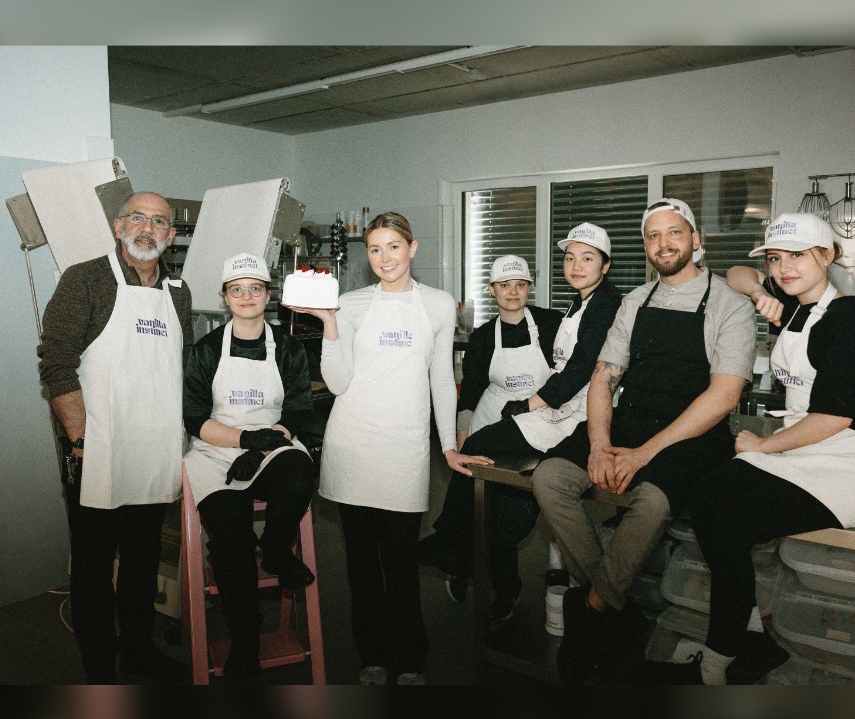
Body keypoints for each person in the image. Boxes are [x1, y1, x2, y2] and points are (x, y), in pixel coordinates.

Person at [658, 212, 855, 685]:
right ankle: (751, 632)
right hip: (808, 454)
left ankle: (718, 661)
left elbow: (835, 417)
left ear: (827, 256)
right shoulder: (795, 302)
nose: (784, 268)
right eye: (775, 258)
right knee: (705, 495)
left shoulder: (846, 320)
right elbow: (736, 273)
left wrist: (765, 445)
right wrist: (758, 292)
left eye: (797, 255)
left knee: (731, 522)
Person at [531, 199, 756, 683]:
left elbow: (724, 395)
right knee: (549, 478)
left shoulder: (730, 305)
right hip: (630, 423)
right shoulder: (634, 302)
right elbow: (603, 378)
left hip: (693, 433)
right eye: (653, 235)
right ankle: (613, 602)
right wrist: (599, 444)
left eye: (674, 232)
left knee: (651, 501)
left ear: (696, 240)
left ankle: (591, 608)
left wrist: (644, 453)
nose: (663, 243)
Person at [292, 211, 490, 685]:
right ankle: (373, 657)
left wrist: (448, 446)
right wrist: (329, 324)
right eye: (376, 249)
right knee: (362, 564)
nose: (385, 258)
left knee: (401, 561)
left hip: (405, 448)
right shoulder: (350, 303)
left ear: (412, 248)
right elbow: (337, 383)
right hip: (353, 444)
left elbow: (441, 379)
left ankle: (410, 659)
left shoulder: (438, 304)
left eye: (394, 247)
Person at [418, 227, 624, 619]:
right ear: (492, 290)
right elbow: (470, 393)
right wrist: (461, 444)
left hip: (547, 414)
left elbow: (578, 368)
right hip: (507, 417)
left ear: (529, 288)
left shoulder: (554, 321)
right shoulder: (484, 337)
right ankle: (465, 557)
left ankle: (458, 552)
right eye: (504, 285)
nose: (512, 292)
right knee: (480, 488)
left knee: (509, 520)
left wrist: (529, 403)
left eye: (520, 285)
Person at [38, 191, 192, 684]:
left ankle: (139, 653)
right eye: (137, 218)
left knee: (143, 563)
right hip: (98, 449)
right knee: (93, 567)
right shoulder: (85, 279)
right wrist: (81, 441)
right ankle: (100, 666)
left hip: (154, 450)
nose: (148, 229)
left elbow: (178, 369)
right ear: (118, 225)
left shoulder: (178, 293)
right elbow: (56, 363)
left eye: (159, 221)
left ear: (171, 235)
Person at [182, 253, 318, 679]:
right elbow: (194, 418)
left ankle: (275, 549)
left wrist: (260, 447)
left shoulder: (288, 348)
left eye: (254, 288)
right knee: (231, 537)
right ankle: (245, 640)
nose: (246, 296)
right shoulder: (207, 350)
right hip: (215, 449)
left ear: (268, 295)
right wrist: (243, 440)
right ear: (225, 297)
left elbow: (297, 409)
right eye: (236, 289)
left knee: (300, 474)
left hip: (272, 442)